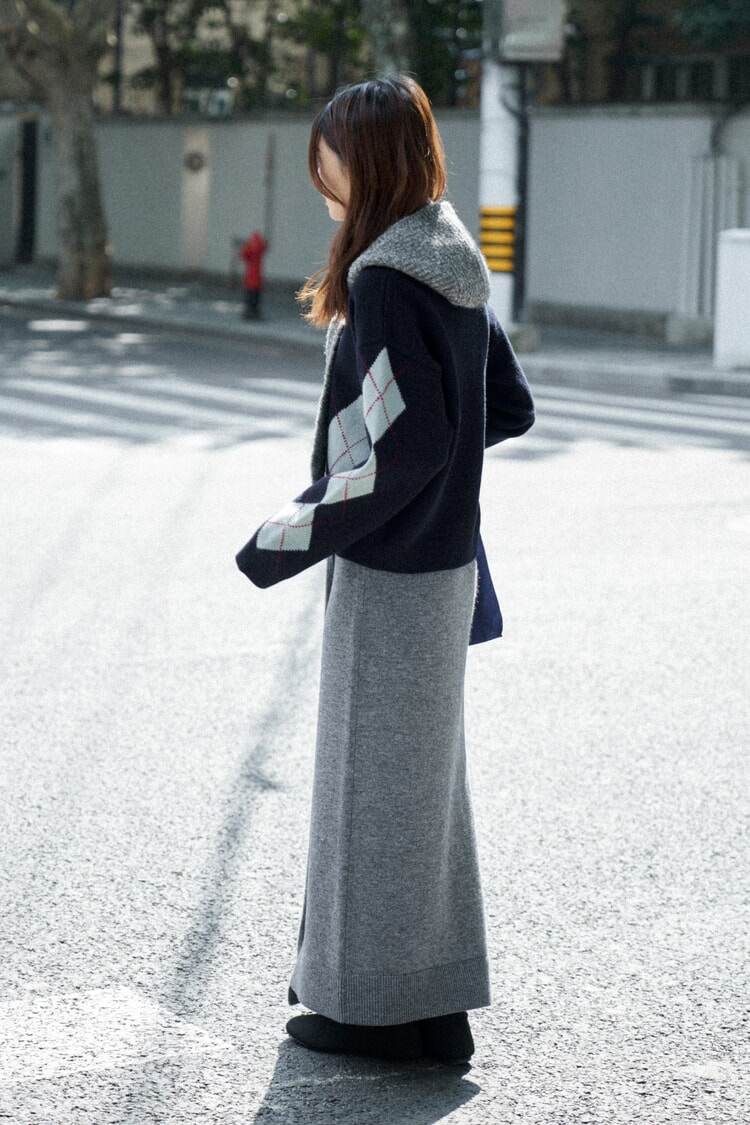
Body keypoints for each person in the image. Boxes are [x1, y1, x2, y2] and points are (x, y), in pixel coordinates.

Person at [234, 75, 535, 1065]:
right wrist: (443, 479)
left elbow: (401, 447)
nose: (320, 175)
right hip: (443, 566)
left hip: (390, 567)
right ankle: (431, 1009)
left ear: (363, 161)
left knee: (369, 796)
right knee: (422, 799)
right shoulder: (450, 258)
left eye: (327, 157)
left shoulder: (385, 277)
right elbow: (504, 407)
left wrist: (286, 534)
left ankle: (371, 1014)